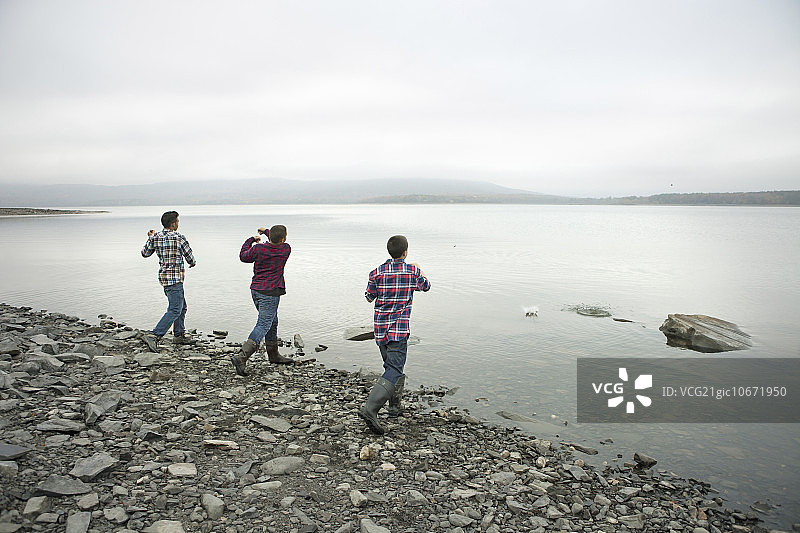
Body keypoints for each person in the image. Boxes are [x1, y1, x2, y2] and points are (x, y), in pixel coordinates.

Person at [359, 235, 431, 434]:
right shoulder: (412, 271)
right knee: (394, 369)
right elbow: (426, 286)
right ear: (405, 252)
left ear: (388, 251)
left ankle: (394, 407)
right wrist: (420, 271)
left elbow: (368, 297)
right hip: (399, 329)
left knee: (390, 367)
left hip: (381, 329)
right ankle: (370, 408)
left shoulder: (377, 272)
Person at [231, 224, 293, 375]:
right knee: (264, 324)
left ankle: (273, 355)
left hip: (256, 290)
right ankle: (242, 357)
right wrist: (266, 232)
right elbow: (276, 239)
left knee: (273, 320)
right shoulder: (285, 249)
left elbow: (243, 256)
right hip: (270, 293)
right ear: (283, 238)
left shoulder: (258, 249)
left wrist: (251, 240)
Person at [140, 210, 196, 351]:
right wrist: (192, 262)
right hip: (176, 278)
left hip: (164, 278)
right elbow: (189, 255)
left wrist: (150, 238)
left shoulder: (156, 237)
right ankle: (154, 335)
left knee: (181, 307)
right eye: (177, 221)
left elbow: (145, 253)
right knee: (175, 309)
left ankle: (179, 335)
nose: (178, 223)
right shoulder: (179, 237)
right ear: (173, 224)